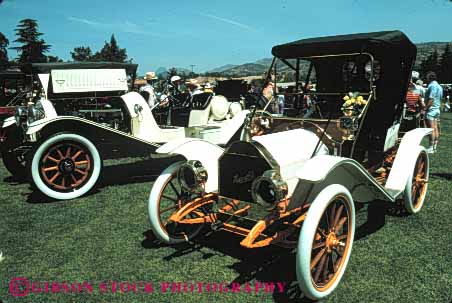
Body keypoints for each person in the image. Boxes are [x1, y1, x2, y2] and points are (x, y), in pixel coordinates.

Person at [423, 71, 443, 153]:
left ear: (429, 77)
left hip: (431, 109)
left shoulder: (432, 86)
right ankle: (434, 146)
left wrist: (425, 108)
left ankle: (431, 147)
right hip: (437, 109)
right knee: (435, 128)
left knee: (431, 129)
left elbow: (431, 99)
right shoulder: (439, 86)